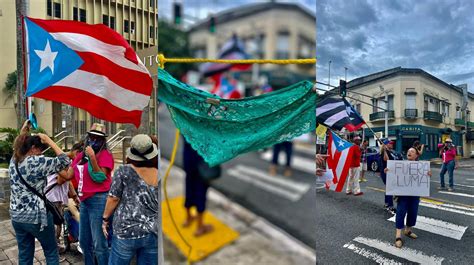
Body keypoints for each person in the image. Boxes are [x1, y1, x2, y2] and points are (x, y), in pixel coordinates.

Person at [9, 120, 71, 264]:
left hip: (17, 216)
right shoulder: (36, 162)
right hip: (36, 217)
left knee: (24, 254)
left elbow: (18, 145)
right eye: (39, 150)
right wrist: (49, 141)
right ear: (32, 148)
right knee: (50, 251)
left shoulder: (14, 160)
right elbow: (65, 161)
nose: (40, 153)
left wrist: (24, 130)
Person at [102, 134, 159, 264]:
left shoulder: (123, 171)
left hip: (126, 230)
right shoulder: (160, 171)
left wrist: (105, 219)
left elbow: (113, 198)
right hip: (152, 230)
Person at [69, 123, 114, 264]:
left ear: (103, 141)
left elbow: (101, 176)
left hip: (99, 200)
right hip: (85, 201)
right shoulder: (82, 155)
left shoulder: (106, 155)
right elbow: (69, 173)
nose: (94, 141)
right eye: (92, 137)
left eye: (98, 138)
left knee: (99, 243)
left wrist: (93, 158)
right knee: (84, 241)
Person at [385, 147, 431, 248]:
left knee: (413, 212)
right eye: (408, 151)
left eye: (412, 151)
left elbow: (425, 177)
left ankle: (408, 230)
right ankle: (398, 236)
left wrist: (428, 174)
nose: (409, 152)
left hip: (415, 194)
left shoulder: (421, 166)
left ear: (416, 155)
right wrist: (388, 171)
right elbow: (393, 174)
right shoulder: (401, 164)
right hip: (403, 194)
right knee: (401, 212)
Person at [44, 142, 82, 253]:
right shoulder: (63, 161)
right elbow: (61, 180)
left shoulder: (65, 160)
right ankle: (53, 247)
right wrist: (71, 169)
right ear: (77, 152)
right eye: (80, 155)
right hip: (53, 197)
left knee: (58, 221)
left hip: (56, 196)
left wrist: (74, 196)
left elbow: (68, 181)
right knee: (56, 222)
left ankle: (55, 245)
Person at [182, 138, 214, 237]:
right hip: (201, 159)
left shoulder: (183, 121)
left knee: (189, 186)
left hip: (188, 157)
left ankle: (188, 218)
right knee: (201, 191)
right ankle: (200, 227)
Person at [379, 139, 401, 214]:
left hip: (391, 172)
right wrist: (385, 150)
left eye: (392, 143)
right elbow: (386, 160)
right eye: (390, 143)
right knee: (390, 189)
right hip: (385, 172)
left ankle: (386, 204)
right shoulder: (383, 152)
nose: (392, 144)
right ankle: (390, 206)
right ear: (386, 145)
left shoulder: (391, 152)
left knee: (389, 189)